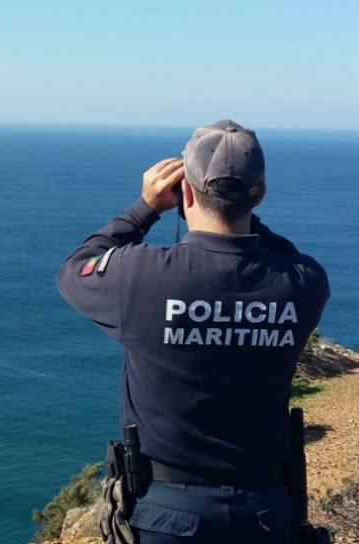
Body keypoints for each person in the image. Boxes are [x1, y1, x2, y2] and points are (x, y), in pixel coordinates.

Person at [56, 119, 330, 544]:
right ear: (259, 195)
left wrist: (144, 208)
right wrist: (241, 211)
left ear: (185, 192)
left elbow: (76, 270)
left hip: (164, 516)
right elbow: (285, 255)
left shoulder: (140, 277)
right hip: (266, 514)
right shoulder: (305, 284)